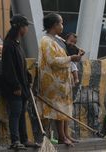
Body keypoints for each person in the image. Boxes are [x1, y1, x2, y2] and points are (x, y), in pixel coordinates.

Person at [39, 13, 81, 146]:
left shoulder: (57, 39)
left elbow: (67, 51)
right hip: (53, 82)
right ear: (54, 25)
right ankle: (62, 137)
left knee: (64, 109)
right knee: (58, 110)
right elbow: (52, 61)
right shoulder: (46, 41)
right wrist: (71, 58)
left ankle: (65, 135)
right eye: (61, 23)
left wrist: (77, 53)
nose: (62, 26)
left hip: (61, 82)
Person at [1, 14, 39, 149]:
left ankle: (24, 139)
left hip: (22, 86)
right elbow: (8, 68)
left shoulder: (17, 44)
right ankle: (15, 141)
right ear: (20, 28)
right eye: (25, 27)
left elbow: (21, 65)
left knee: (22, 113)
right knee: (16, 114)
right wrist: (16, 85)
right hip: (14, 88)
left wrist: (28, 77)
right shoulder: (9, 45)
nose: (27, 30)